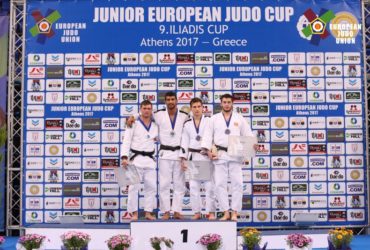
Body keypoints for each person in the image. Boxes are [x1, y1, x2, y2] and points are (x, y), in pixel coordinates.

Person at [126, 91, 189, 220]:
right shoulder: (159, 114)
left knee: (179, 184)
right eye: (168, 99)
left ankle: (177, 210)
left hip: (178, 154)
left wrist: (185, 156)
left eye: (173, 99)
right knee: (164, 184)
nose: (171, 102)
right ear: (165, 101)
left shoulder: (184, 115)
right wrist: (132, 116)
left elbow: (191, 129)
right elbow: (144, 113)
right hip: (164, 153)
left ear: (177, 101)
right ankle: (166, 211)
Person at [201, 94, 256, 221]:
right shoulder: (213, 119)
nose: (226, 104)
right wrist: (208, 151)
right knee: (220, 184)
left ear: (232, 103)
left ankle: (235, 212)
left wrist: (254, 144)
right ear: (221, 103)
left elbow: (248, 134)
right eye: (224, 102)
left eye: (229, 102)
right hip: (219, 154)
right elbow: (207, 136)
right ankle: (225, 211)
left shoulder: (239, 118)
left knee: (237, 183)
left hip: (236, 154)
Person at [121, 100, 158, 220]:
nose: (146, 110)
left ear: (151, 110)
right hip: (135, 160)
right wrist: (124, 157)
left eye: (149, 108)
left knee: (151, 187)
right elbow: (126, 141)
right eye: (144, 108)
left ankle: (148, 212)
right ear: (140, 109)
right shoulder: (133, 123)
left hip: (150, 160)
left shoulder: (155, 124)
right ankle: (134, 213)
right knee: (133, 187)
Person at [179, 97, 216, 220]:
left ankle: (210, 212)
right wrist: (183, 159)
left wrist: (211, 150)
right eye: (194, 107)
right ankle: (196, 212)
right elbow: (184, 142)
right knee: (194, 187)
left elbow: (214, 137)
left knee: (209, 187)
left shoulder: (209, 121)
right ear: (191, 108)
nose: (197, 109)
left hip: (206, 156)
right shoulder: (187, 124)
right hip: (193, 157)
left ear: (203, 108)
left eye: (199, 106)